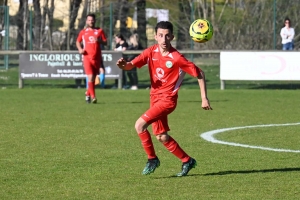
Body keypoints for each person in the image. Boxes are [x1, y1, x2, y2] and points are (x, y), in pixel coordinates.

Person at [116, 21, 212, 176]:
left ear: (172, 37)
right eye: (160, 35)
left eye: (167, 36)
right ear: (155, 37)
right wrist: (123, 65)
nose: (164, 39)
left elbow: (200, 73)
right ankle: (187, 160)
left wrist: (204, 98)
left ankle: (152, 159)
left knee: (139, 125)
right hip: (154, 98)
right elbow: (131, 65)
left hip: (168, 100)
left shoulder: (177, 58)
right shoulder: (150, 52)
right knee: (161, 136)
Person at [76, 13, 107, 103]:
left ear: (94, 21)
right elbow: (78, 42)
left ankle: (87, 93)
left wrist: (99, 41)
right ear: (86, 21)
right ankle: (93, 97)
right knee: (91, 77)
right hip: (86, 57)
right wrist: (80, 49)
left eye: (92, 20)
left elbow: (106, 42)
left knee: (93, 79)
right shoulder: (83, 32)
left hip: (97, 58)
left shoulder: (100, 31)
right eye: (89, 20)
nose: (91, 21)